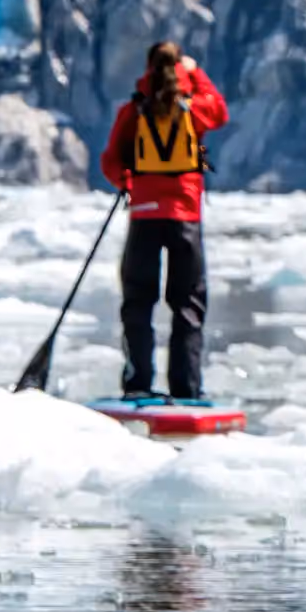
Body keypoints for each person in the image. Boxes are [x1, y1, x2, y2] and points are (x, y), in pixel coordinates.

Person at [102, 41, 229, 402]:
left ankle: (138, 383)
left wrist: (129, 184)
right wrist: (195, 72)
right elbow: (220, 111)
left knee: (138, 302)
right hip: (184, 216)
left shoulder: (134, 110)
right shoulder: (194, 108)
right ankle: (186, 388)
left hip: (144, 215)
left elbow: (112, 160)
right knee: (187, 304)